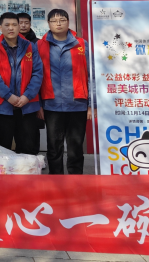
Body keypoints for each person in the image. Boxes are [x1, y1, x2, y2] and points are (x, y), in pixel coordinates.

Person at [35, 9, 91, 175]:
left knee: (75, 147)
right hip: (51, 104)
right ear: (48, 24)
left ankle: (76, 180)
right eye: (54, 21)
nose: (58, 23)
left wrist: (91, 104)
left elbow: (91, 75)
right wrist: (38, 104)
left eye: (62, 20)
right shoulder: (39, 45)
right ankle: (56, 180)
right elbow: (35, 77)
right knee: (54, 146)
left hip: (77, 104)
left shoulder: (81, 44)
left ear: (68, 22)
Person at [0, 12, 43, 154]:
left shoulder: (30, 46)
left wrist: (27, 96)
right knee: (4, 148)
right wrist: (8, 96)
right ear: (0, 28)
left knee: (28, 149)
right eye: (7, 25)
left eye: (14, 25)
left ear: (19, 27)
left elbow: (37, 73)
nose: (11, 28)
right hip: (3, 106)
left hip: (27, 105)